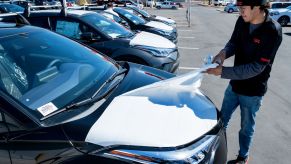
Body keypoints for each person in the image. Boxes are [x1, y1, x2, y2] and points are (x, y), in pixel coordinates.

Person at [206, 0, 282, 163]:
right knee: (220, 121)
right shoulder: (242, 20)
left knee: (246, 128)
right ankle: (213, 152)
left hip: (253, 91)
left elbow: (257, 67)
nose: (240, 11)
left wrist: (223, 71)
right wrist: (222, 54)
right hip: (234, 85)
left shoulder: (272, 31)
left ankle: (243, 157)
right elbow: (233, 42)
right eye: (239, 7)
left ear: (257, 7)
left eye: (243, 8)